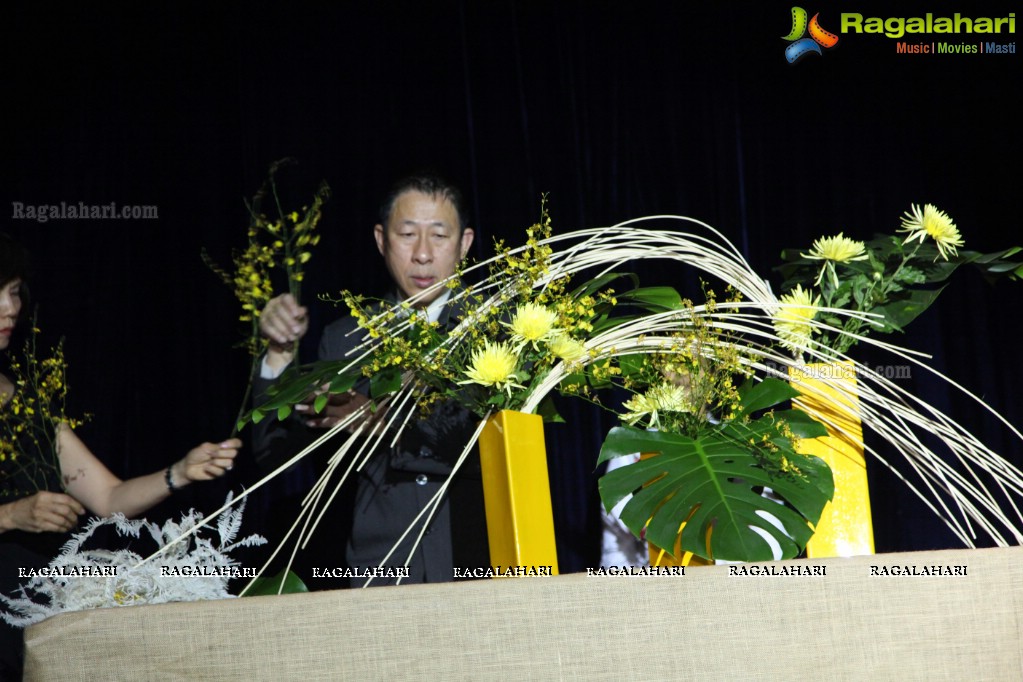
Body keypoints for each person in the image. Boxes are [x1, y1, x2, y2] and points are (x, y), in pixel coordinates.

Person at [0, 232, 240, 678]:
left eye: (14, 292)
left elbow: (108, 498)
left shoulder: (27, 402)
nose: (10, 308)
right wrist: (12, 515)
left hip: (34, 611)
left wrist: (180, 472)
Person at [253, 173, 490, 585]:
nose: (422, 254)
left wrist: (384, 423)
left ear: (465, 244)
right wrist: (278, 354)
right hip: (379, 567)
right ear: (381, 239)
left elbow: (498, 448)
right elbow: (276, 454)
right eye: (407, 234)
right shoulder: (344, 338)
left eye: (438, 235)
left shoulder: (499, 327)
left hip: (480, 559)